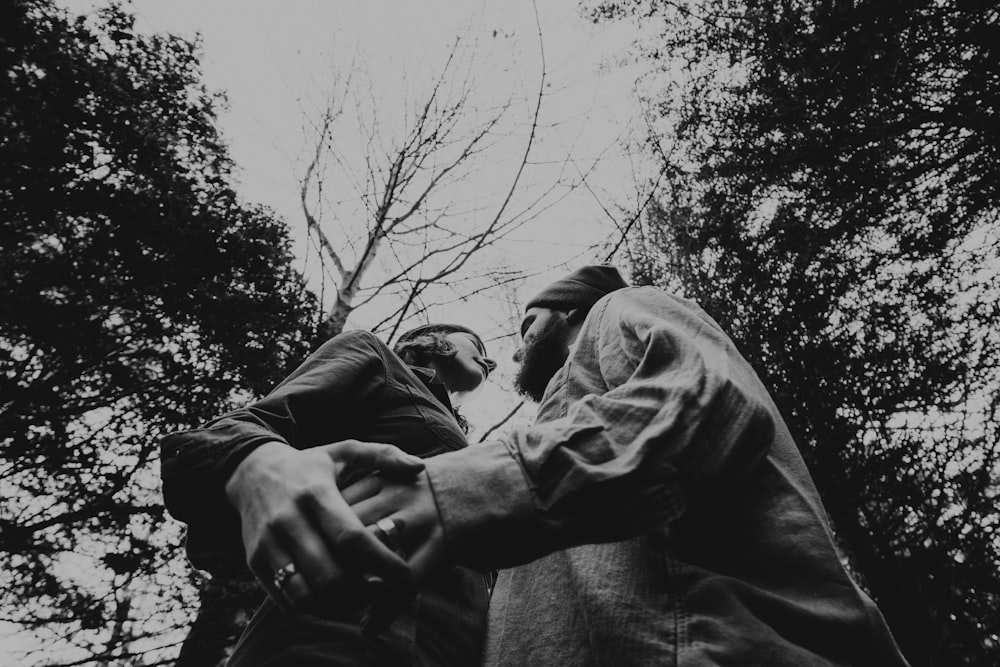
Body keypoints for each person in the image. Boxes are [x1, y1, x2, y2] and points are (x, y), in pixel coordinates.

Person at [345, 265, 910, 666]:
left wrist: (450, 500)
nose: (512, 353)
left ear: (568, 309)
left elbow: (704, 402)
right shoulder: (555, 426)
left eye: (525, 325)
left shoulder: (616, 311)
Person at [160, 323, 497, 666]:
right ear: (431, 340)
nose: (490, 361)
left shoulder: (466, 445)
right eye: (474, 343)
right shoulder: (376, 358)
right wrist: (254, 464)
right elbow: (244, 427)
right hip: (333, 638)